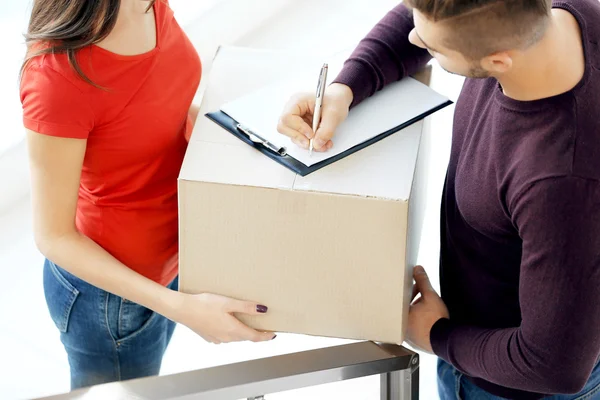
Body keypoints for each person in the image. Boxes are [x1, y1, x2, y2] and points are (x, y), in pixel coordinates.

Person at [277, 0, 600, 398]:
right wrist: (345, 88)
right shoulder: (547, 16)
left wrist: (436, 336)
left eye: (434, 49)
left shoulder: (558, 183)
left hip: (508, 382)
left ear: (499, 62)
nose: (413, 39)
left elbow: (553, 365)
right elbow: (434, 20)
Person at [19, 0, 275, 391]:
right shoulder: (56, 75)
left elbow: (156, 105)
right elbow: (53, 236)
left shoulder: (146, 4)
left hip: (168, 262)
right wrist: (182, 308)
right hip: (110, 299)